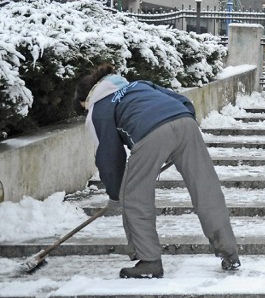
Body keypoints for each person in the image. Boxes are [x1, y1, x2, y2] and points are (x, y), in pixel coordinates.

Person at [73, 63, 240, 278]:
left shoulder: (98, 109)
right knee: (206, 189)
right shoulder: (138, 85)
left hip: (149, 132)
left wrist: (116, 194)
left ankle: (149, 261)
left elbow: (109, 156)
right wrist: (177, 139)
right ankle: (230, 253)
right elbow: (184, 102)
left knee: (134, 197)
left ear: (84, 100)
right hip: (185, 122)